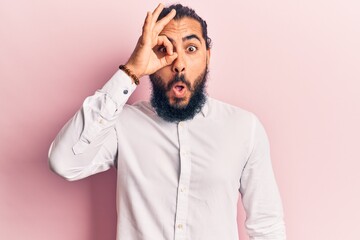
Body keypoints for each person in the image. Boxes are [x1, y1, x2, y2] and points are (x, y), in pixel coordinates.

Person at [48, 3, 286, 240]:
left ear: (207, 57)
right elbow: (65, 162)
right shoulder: (122, 125)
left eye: (191, 48)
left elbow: (267, 225)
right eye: (165, 49)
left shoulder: (244, 128)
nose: (179, 64)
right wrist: (131, 70)